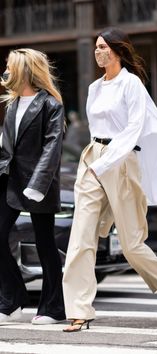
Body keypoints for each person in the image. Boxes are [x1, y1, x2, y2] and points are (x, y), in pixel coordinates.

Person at [62, 27, 157, 333]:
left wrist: (106, 163)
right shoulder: (94, 88)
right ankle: (79, 310)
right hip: (93, 158)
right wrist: (93, 162)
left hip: (122, 161)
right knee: (81, 237)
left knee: (131, 244)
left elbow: (132, 130)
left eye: (103, 47)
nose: (98, 52)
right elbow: (94, 128)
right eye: (96, 48)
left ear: (117, 50)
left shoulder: (132, 85)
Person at [0, 48, 65, 324]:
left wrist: (38, 183)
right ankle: (12, 300)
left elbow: (53, 147)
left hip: (39, 182)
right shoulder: (12, 104)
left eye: (10, 66)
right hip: (10, 181)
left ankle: (53, 308)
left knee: (45, 243)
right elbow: (6, 146)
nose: (6, 71)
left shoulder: (51, 105)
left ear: (24, 70)